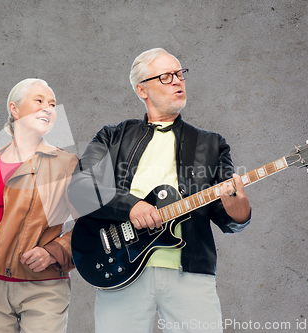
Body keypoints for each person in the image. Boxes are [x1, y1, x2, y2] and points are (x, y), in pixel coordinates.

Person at [68, 48, 251, 333]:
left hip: (190, 273)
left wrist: (239, 216)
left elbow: (223, 213)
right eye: (166, 76)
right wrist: (129, 205)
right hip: (119, 265)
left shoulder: (212, 144)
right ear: (142, 90)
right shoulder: (112, 136)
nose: (178, 81)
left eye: (180, 74)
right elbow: (81, 187)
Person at [0, 78, 79, 333]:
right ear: (14, 109)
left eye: (53, 104)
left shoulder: (66, 164)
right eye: (39, 101)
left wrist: (54, 252)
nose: (48, 108)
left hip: (42, 288)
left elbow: (91, 225)